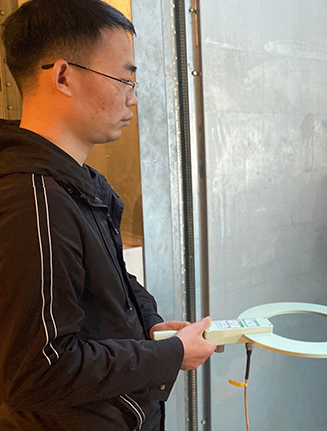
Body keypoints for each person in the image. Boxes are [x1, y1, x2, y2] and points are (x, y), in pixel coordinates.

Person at [0, 1, 216, 429]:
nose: (132, 97)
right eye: (123, 79)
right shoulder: (32, 199)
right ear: (63, 76)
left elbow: (108, 280)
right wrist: (168, 356)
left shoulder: (73, 182)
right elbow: (38, 370)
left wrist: (151, 328)